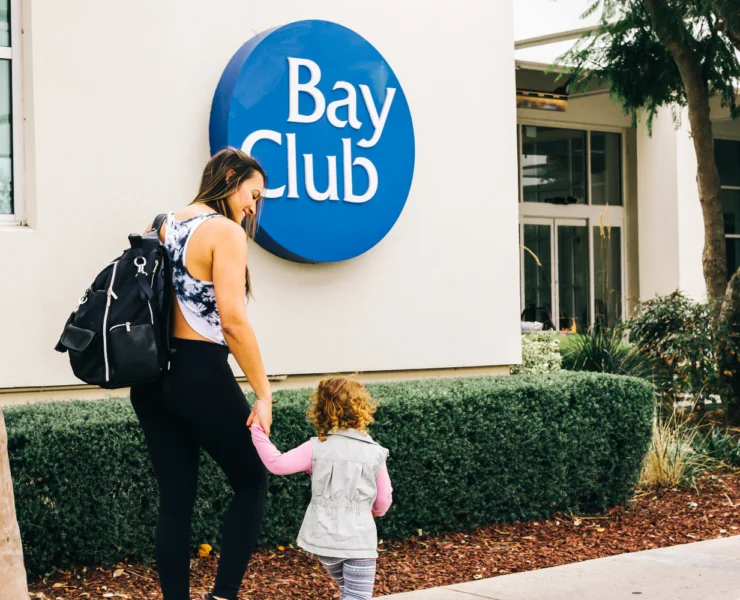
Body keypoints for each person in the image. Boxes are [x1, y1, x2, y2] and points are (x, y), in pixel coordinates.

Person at [130, 148, 274, 600]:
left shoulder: (162, 224)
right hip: (200, 373)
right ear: (231, 178)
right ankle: (222, 596)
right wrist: (263, 392)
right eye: (253, 194)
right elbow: (232, 321)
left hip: (151, 379)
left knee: (176, 501)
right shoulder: (224, 232)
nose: (253, 206)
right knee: (252, 481)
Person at [250, 377, 392, 600]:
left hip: (322, 539)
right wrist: (374, 512)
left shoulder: (316, 447)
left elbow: (277, 464)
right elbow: (383, 498)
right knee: (357, 596)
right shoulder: (375, 452)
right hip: (358, 540)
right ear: (363, 408)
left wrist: (257, 429)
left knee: (349, 592)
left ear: (321, 409)